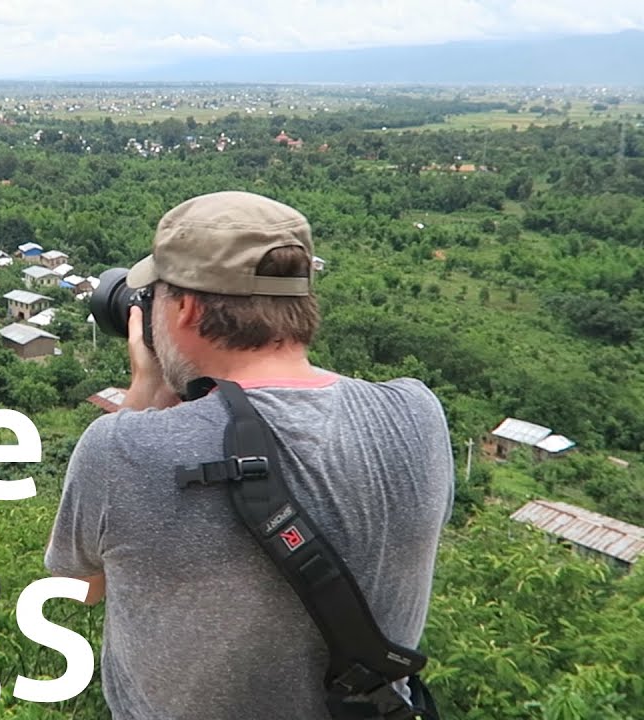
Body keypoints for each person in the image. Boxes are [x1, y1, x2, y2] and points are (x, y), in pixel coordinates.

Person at [45, 191, 454, 719]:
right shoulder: (417, 415)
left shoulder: (121, 451)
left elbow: (77, 591)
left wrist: (146, 392)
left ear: (187, 307)